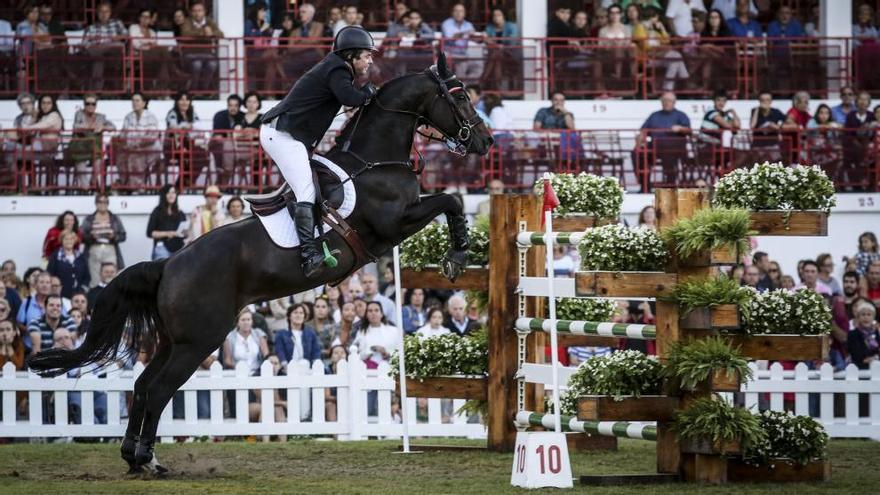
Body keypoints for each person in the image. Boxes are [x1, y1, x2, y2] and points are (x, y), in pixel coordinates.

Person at [259, 26, 376, 279]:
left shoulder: (336, 66)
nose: (370, 60)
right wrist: (368, 91)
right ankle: (309, 255)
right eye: (366, 55)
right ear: (351, 55)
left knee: (311, 185)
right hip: (281, 136)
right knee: (307, 191)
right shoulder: (338, 68)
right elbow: (351, 99)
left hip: (287, 136)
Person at [634, 91, 691, 189]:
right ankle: (644, 185)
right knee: (637, 153)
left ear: (674, 102)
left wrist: (680, 128)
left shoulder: (681, 115)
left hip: (673, 147)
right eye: (664, 100)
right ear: (661, 101)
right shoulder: (654, 115)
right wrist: (639, 142)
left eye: (669, 100)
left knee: (669, 154)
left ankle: (670, 185)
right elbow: (643, 131)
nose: (666, 102)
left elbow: (689, 131)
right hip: (654, 146)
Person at [79, 193, 125, 286]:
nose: (103, 204)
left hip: (110, 248)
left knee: (111, 275)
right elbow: (81, 235)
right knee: (94, 278)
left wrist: (114, 237)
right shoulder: (89, 218)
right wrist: (92, 237)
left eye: (105, 202)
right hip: (94, 248)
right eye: (100, 202)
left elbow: (123, 235)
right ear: (96, 204)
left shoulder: (114, 218)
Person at [81, 1, 127, 92]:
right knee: (98, 60)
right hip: (97, 55)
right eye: (101, 12)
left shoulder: (117, 23)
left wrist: (115, 38)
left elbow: (126, 36)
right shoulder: (91, 28)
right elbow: (85, 44)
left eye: (106, 11)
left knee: (117, 46)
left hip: (114, 56)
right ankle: (96, 92)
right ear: (97, 13)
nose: (104, 14)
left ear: (110, 13)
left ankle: (95, 92)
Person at [179, 1, 225, 93]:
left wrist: (212, 33)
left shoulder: (209, 21)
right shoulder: (187, 21)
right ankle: (194, 89)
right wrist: (203, 33)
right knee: (197, 65)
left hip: (207, 54)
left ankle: (204, 89)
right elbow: (185, 33)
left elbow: (220, 34)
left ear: (204, 12)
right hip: (190, 54)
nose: (197, 13)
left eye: (200, 10)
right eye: (195, 11)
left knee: (213, 64)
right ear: (191, 13)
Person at [164, 91, 207, 186]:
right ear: (177, 102)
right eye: (181, 99)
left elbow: (199, 126)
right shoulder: (172, 113)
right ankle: (183, 184)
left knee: (202, 157)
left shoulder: (193, 113)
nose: (184, 102)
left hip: (191, 144)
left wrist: (187, 127)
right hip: (174, 146)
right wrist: (186, 126)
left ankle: (185, 182)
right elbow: (173, 126)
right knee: (188, 155)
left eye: (187, 100)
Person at [119, 91, 161, 188]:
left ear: (144, 103)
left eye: (137, 101)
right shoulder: (128, 117)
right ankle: (125, 184)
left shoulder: (151, 117)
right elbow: (123, 135)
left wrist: (137, 145)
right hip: (131, 149)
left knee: (136, 157)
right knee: (120, 156)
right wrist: (124, 144)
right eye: (133, 101)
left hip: (150, 150)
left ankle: (137, 187)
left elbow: (152, 137)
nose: (134, 103)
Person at [842, 91, 876, 189]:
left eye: (866, 100)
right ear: (856, 101)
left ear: (869, 102)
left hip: (868, 147)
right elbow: (847, 132)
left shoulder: (872, 115)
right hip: (853, 146)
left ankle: (870, 185)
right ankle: (855, 186)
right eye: (861, 99)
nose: (863, 102)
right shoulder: (850, 115)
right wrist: (856, 143)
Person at [22, 94, 63, 172]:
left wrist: (28, 128)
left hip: (49, 146)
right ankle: (31, 181)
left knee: (23, 152)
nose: (45, 105)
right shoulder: (42, 116)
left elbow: (44, 125)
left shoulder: (54, 115)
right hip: (40, 146)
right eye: (43, 103)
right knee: (23, 154)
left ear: (53, 104)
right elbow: (31, 131)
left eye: (48, 103)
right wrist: (34, 117)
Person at [210, 94, 245, 186]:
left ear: (239, 106)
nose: (232, 108)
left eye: (235, 105)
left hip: (235, 148)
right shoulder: (219, 115)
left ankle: (224, 179)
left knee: (231, 148)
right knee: (224, 144)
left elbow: (242, 135)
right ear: (227, 105)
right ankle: (223, 176)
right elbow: (217, 135)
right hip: (218, 146)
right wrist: (231, 135)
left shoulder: (243, 116)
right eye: (230, 105)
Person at [146, 184, 187, 260]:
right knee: (162, 269)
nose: (172, 195)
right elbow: (150, 233)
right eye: (169, 193)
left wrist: (186, 231)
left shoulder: (180, 213)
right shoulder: (157, 211)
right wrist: (169, 233)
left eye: (174, 192)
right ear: (164, 195)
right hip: (162, 247)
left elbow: (185, 233)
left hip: (179, 248)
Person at [223, 309, 269, 375]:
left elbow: (266, 355)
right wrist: (240, 370)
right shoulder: (229, 337)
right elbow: (227, 360)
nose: (246, 322)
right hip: (237, 373)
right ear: (237, 322)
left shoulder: (259, 334)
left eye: (248, 319)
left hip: (257, 373)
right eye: (243, 320)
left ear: (252, 322)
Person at [352, 301, 397, 367]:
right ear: (366, 315)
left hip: (390, 369)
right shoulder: (361, 332)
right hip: (367, 370)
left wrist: (386, 353)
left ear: (381, 314)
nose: (373, 313)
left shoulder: (394, 331)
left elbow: (400, 352)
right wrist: (371, 350)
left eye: (376, 310)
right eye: (370, 311)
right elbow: (355, 354)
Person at [47, 231, 90, 299]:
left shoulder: (81, 256)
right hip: (61, 295)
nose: (69, 241)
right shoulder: (55, 256)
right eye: (66, 239)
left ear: (74, 241)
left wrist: (83, 289)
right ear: (62, 240)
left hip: (78, 295)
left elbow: (87, 276)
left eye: (71, 239)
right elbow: (50, 274)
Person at [2, 93, 36, 171]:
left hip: (33, 143)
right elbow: (16, 132)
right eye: (22, 104)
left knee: (10, 148)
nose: (25, 106)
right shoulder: (18, 118)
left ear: (33, 104)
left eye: (28, 103)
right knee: (7, 144)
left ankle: (12, 174)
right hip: (20, 142)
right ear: (20, 106)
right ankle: (12, 175)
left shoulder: (37, 115)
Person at [847, 300, 879, 369]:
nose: (866, 317)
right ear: (858, 317)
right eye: (863, 314)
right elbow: (856, 354)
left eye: (869, 314)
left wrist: (875, 358)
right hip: (859, 369)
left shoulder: (877, 332)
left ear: (873, 317)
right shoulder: (853, 334)